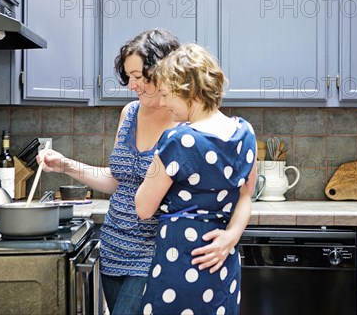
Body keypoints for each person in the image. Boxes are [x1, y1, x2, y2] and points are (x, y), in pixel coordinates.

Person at [38, 30, 249, 315]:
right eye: (128, 77)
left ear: (164, 71)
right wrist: (65, 165)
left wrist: (233, 234)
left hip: (158, 251)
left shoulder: (186, 126)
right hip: (114, 247)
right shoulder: (129, 114)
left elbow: (235, 193)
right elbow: (118, 180)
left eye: (139, 76)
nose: (132, 85)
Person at [136, 43, 257, 315]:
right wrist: (231, 237)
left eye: (167, 95)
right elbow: (246, 195)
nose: (163, 103)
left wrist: (154, 159)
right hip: (221, 261)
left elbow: (143, 208)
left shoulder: (177, 140)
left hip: (180, 261)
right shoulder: (245, 132)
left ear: (188, 91)